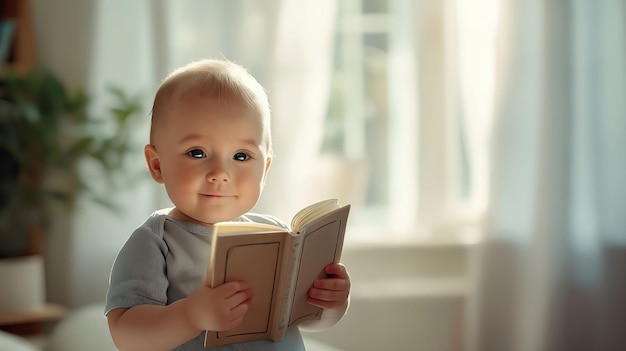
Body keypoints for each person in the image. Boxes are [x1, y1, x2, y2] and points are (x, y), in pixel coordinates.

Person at [104, 59, 351, 351]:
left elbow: (305, 319)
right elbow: (126, 335)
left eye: (242, 156)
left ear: (266, 168)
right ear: (157, 165)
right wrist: (190, 315)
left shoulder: (277, 236)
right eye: (197, 153)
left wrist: (332, 303)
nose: (220, 173)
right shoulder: (155, 241)